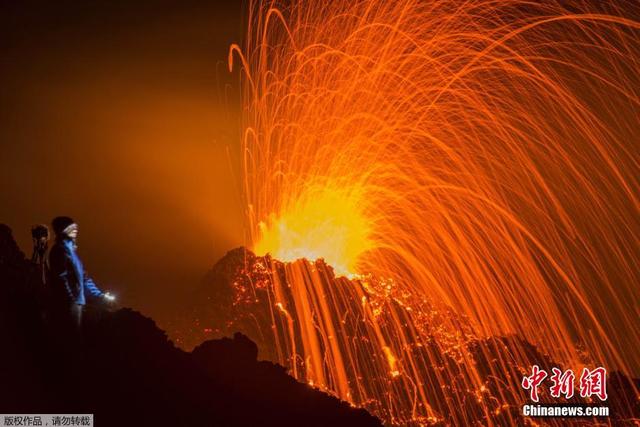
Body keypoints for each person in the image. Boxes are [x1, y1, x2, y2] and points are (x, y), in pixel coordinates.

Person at [48, 216, 115, 334]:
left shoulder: (72, 253)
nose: (75, 228)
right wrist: (71, 299)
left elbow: (85, 279)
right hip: (66, 305)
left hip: (76, 303)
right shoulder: (59, 251)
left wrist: (100, 296)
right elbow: (60, 278)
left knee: (74, 339)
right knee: (68, 339)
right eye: (71, 226)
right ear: (63, 230)